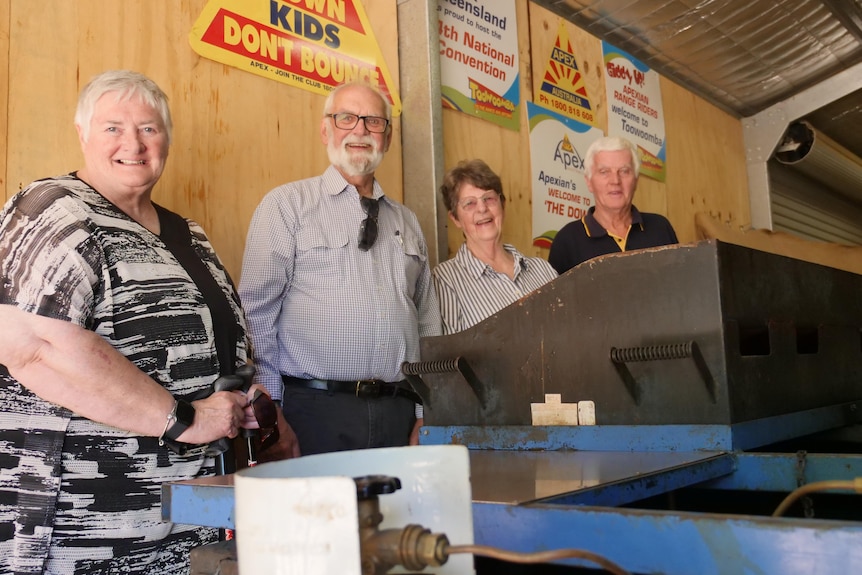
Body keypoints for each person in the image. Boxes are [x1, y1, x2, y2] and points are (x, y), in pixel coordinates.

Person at [0, 70, 275, 574]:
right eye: (112, 128)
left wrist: (241, 400)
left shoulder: (188, 233)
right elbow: (36, 347)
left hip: (189, 516)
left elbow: (219, 341)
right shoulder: (53, 210)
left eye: (149, 128)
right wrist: (186, 419)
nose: (133, 142)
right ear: (82, 134)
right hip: (87, 523)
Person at [239, 81, 441, 456]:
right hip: (313, 412)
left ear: (388, 137)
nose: (360, 130)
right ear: (325, 130)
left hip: (400, 411)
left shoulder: (408, 222)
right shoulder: (287, 206)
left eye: (373, 122)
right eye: (346, 118)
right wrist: (272, 412)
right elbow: (256, 312)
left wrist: (424, 410)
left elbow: (427, 324)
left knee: (400, 516)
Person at [433, 159, 558, 334]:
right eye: (469, 203)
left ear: (503, 205)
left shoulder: (543, 270)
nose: (482, 208)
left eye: (489, 198)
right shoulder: (445, 280)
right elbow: (450, 356)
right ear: (455, 218)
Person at [548, 136, 678, 274]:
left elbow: (682, 287)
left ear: (636, 180)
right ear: (589, 182)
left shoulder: (660, 228)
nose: (615, 180)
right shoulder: (567, 241)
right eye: (604, 172)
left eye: (624, 171)